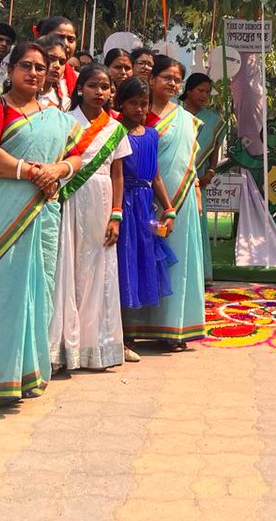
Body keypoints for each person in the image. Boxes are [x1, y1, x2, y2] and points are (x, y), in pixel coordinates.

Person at [0, 42, 83, 403]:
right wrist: (31, 171)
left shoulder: (56, 116)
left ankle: (27, 373)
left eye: (40, 68)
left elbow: (76, 155)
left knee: (36, 291)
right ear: (10, 69)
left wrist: (57, 170)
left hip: (40, 213)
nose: (33, 73)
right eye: (25, 66)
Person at [50, 63, 131, 372]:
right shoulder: (64, 121)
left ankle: (95, 347)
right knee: (65, 269)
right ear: (80, 87)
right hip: (69, 199)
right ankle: (62, 349)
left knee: (100, 272)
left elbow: (118, 173)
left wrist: (116, 214)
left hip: (101, 200)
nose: (100, 92)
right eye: (94, 85)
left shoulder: (115, 128)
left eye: (106, 87)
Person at [125, 56, 206, 350]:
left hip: (179, 202)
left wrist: (195, 192)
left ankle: (174, 328)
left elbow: (191, 162)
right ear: (152, 79)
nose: (172, 84)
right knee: (139, 258)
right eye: (166, 78)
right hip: (141, 201)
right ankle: (133, 326)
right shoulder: (137, 115)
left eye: (176, 79)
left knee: (178, 263)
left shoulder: (185, 119)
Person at [113, 76, 176, 358]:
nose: (138, 109)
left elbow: (157, 177)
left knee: (140, 264)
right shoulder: (114, 131)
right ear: (121, 103)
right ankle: (119, 334)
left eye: (144, 103)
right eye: (133, 103)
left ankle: (132, 331)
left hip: (145, 208)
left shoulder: (151, 134)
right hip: (122, 204)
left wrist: (169, 208)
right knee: (122, 264)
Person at [182, 72, 222, 282]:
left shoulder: (213, 121)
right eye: (200, 90)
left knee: (198, 225)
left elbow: (215, 149)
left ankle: (200, 275)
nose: (204, 95)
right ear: (188, 90)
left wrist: (211, 171)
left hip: (199, 181)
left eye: (207, 92)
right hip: (174, 178)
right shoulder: (174, 113)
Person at [37, 16, 79, 93]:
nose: (66, 44)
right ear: (42, 38)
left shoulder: (79, 80)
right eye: (59, 37)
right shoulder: (26, 76)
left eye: (71, 39)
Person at [34, 33, 71, 110]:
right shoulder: (19, 97)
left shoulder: (65, 104)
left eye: (62, 62)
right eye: (51, 59)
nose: (57, 66)